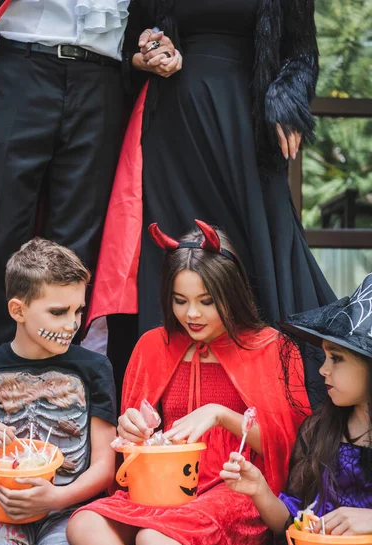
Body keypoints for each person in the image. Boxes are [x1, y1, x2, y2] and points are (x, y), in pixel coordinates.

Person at [66, 221, 311, 545]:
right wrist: (132, 432)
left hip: (234, 492)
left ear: (232, 292)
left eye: (207, 301)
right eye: (180, 301)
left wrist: (221, 413)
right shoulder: (153, 345)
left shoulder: (271, 348)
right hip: (159, 488)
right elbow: (130, 451)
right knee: (83, 527)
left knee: (156, 539)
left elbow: (291, 448)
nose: (191, 314)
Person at [89, 0, 336, 344]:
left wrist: (288, 101)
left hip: (245, 126)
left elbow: (302, 53)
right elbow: (130, 42)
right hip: (172, 125)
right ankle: (167, 373)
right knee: (173, 245)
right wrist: (151, 53)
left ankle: (274, 365)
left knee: (257, 244)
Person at [0, 0, 128, 351]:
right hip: (19, 67)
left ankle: (58, 363)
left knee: (79, 236)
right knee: (2, 226)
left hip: (102, 76)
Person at [0, 238, 117, 545]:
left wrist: (56, 498)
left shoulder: (94, 368)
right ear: (18, 310)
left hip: (69, 512)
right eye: (58, 312)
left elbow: (105, 466)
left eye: (78, 310)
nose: (72, 324)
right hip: (0, 513)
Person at [220, 273, 372, 545]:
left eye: (337, 358)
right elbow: (292, 524)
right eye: (325, 356)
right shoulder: (319, 430)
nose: (322, 369)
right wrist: (259, 488)